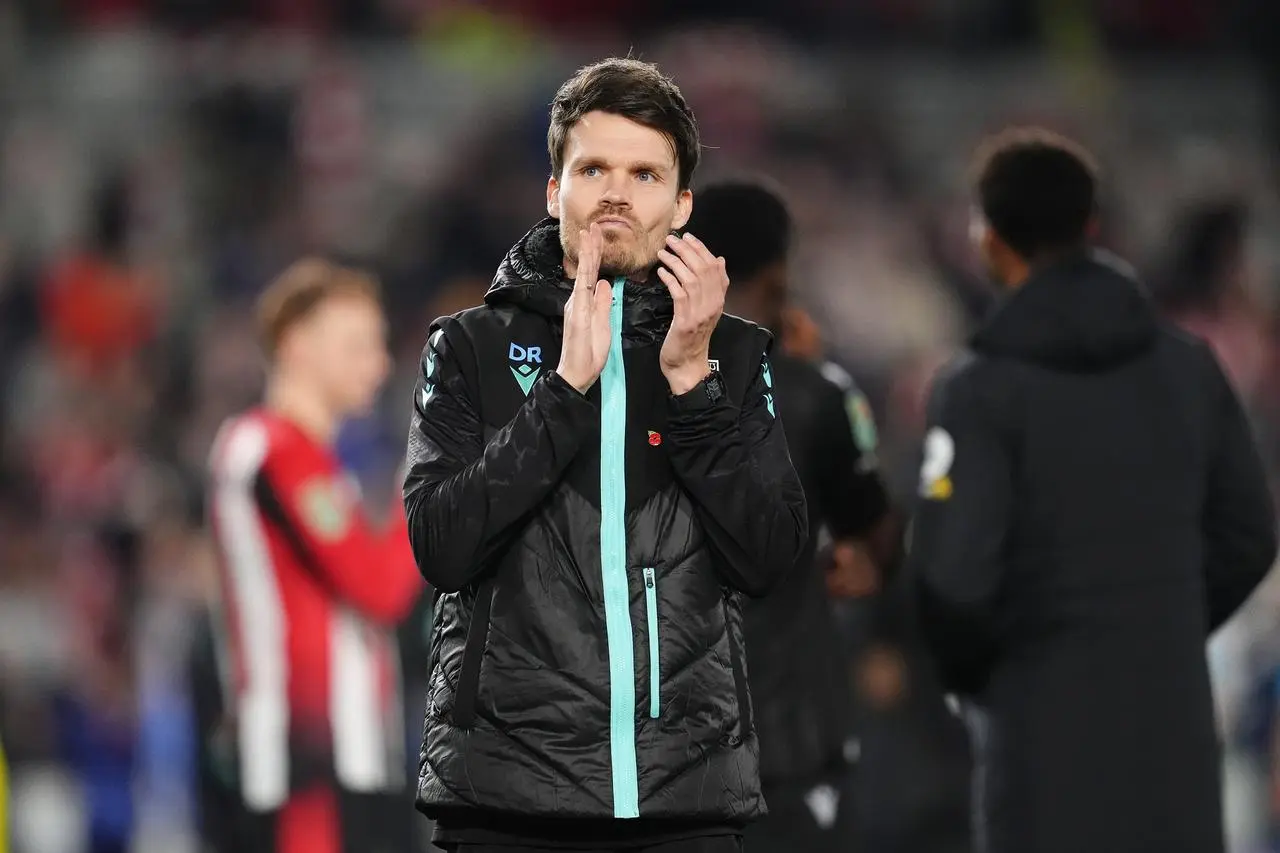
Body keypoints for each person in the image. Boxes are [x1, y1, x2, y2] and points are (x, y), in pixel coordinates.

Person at [403, 58, 809, 852]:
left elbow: (770, 558)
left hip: (684, 803)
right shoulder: (468, 348)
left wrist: (693, 387)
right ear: (554, 190)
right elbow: (441, 546)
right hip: (503, 804)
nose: (617, 191)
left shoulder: (733, 354)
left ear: (682, 203)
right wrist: (562, 392)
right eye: (592, 168)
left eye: (645, 173)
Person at [908, 127, 1278, 853]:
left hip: (1045, 742)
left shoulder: (980, 389)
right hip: (1173, 738)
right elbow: (1252, 532)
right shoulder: (1188, 367)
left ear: (990, 241)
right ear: (1093, 228)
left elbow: (953, 578)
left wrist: (994, 672)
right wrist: (1159, 624)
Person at [684, 179, 895, 851]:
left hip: (660, 752)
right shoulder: (815, 397)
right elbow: (877, 539)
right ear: (778, 272)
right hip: (786, 747)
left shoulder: (624, 392)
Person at [205, 259, 424, 853]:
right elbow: (380, 587)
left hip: (347, 758)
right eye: (357, 346)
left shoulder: (320, 470)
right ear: (298, 346)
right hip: (308, 764)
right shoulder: (272, 449)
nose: (378, 366)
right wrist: (426, 485)